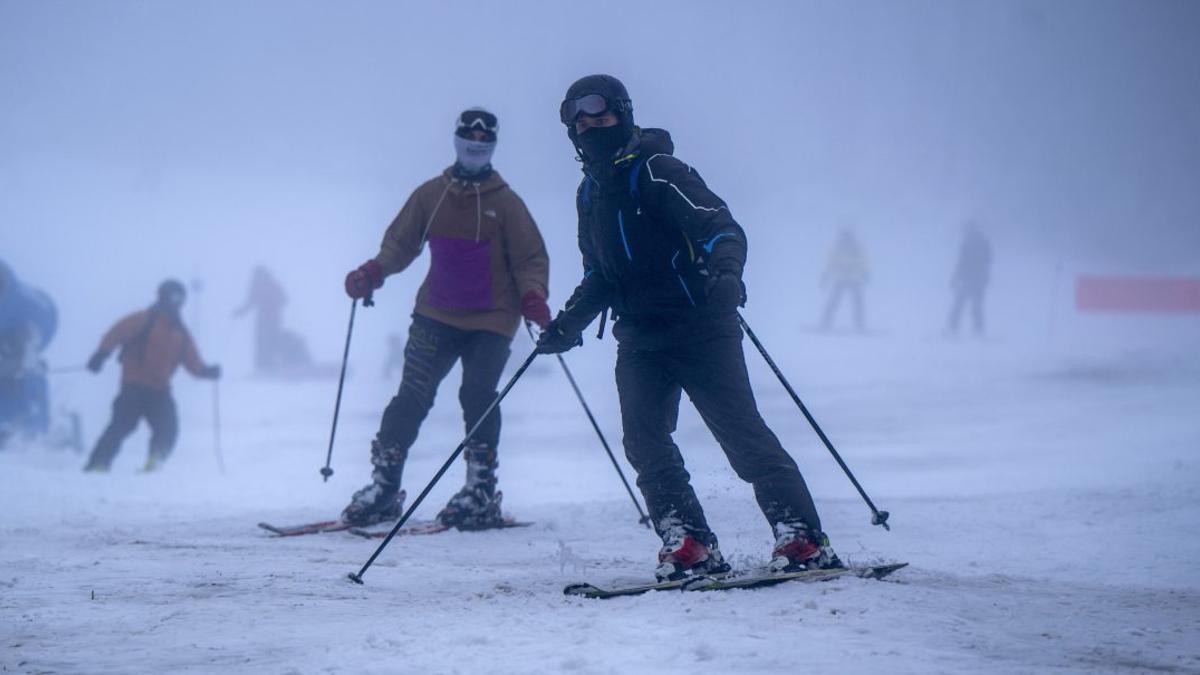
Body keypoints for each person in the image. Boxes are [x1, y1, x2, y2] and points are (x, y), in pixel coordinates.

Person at [537, 75, 840, 581]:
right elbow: (599, 274)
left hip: (701, 325)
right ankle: (689, 542)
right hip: (639, 337)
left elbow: (720, 225)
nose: (590, 127)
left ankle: (802, 537)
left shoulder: (659, 171)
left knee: (741, 436)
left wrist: (727, 273)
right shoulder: (589, 192)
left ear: (624, 114)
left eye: (601, 116)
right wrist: (568, 324)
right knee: (645, 441)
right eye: (579, 121)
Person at [341, 107, 551, 529]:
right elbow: (400, 245)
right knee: (410, 398)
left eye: (483, 143)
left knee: (477, 395)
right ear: (457, 143)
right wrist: (372, 272)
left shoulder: (506, 204)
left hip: (493, 318)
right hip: (435, 313)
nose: (475, 148)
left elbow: (530, 257)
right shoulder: (431, 195)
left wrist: (533, 296)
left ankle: (480, 491)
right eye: (469, 142)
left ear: (491, 147)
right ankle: (384, 489)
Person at [83, 280, 221, 472]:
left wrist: (207, 372)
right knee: (121, 426)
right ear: (163, 296)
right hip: (133, 387)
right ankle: (98, 464)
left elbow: (193, 362)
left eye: (180, 298)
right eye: (173, 297)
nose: (177, 303)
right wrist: (101, 354)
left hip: (159, 391)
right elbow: (116, 333)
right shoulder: (143, 320)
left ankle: (155, 461)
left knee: (167, 429)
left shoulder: (180, 333)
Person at [0, 260, 56, 449]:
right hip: (16, 361)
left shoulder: (26, 316)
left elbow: (24, 358)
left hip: (20, 366)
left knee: (26, 382)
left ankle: (29, 435)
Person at [233, 266, 313, 375]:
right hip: (268, 320)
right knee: (265, 342)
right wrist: (240, 312)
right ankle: (265, 365)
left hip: (270, 320)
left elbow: (282, 299)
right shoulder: (263, 285)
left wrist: (241, 311)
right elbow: (282, 299)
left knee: (267, 342)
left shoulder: (265, 285)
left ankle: (266, 365)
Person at [946, 221, 993, 336]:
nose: (965, 232)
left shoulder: (978, 243)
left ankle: (975, 329)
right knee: (964, 304)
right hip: (974, 278)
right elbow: (961, 262)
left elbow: (986, 260)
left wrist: (956, 276)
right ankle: (956, 328)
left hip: (974, 279)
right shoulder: (972, 242)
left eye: (967, 229)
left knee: (967, 304)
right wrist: (955, 277)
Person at [819, 227, 869, 332]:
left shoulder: (856, 249)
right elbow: (831, 264)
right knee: (834, 301)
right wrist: (826, 276)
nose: (845, 239)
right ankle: (825, 323)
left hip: (853, 278)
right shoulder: (839, 249)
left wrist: (865, 274)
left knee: (857, 303)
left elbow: (862, 262)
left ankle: (860, 324)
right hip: (842, 278)